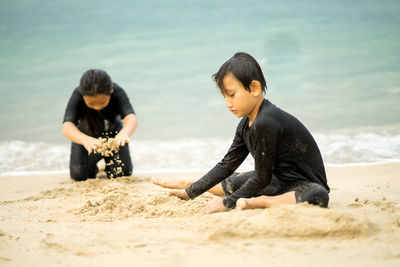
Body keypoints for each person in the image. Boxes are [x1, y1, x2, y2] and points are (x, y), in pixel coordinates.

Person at [152, 52, 329, 214]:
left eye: (232, 95)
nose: (227, 103)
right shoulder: (246, 124)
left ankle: (263, 202)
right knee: (236, 180)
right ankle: (186, 184)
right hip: (277, 182)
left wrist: (226, 203)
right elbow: (227, 165)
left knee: (318, 194)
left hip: (304, 185)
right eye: (224, 97)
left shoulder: (266, 121)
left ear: (254, 88)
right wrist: (190, 192)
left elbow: (261, 177)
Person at [62, 69, 137, 181]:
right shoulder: (77, 95)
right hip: (86, 139)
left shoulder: (117, 92)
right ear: (83, 95)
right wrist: (84, 140)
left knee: (123, 173)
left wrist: (124, 133)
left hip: (114, 138)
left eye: (102, 102)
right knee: (79, 175)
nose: (97, 107)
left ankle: (109, 164)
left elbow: (131, 118)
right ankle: (93, 167)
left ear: (110, 91)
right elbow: (67, 126)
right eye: (91, 103)